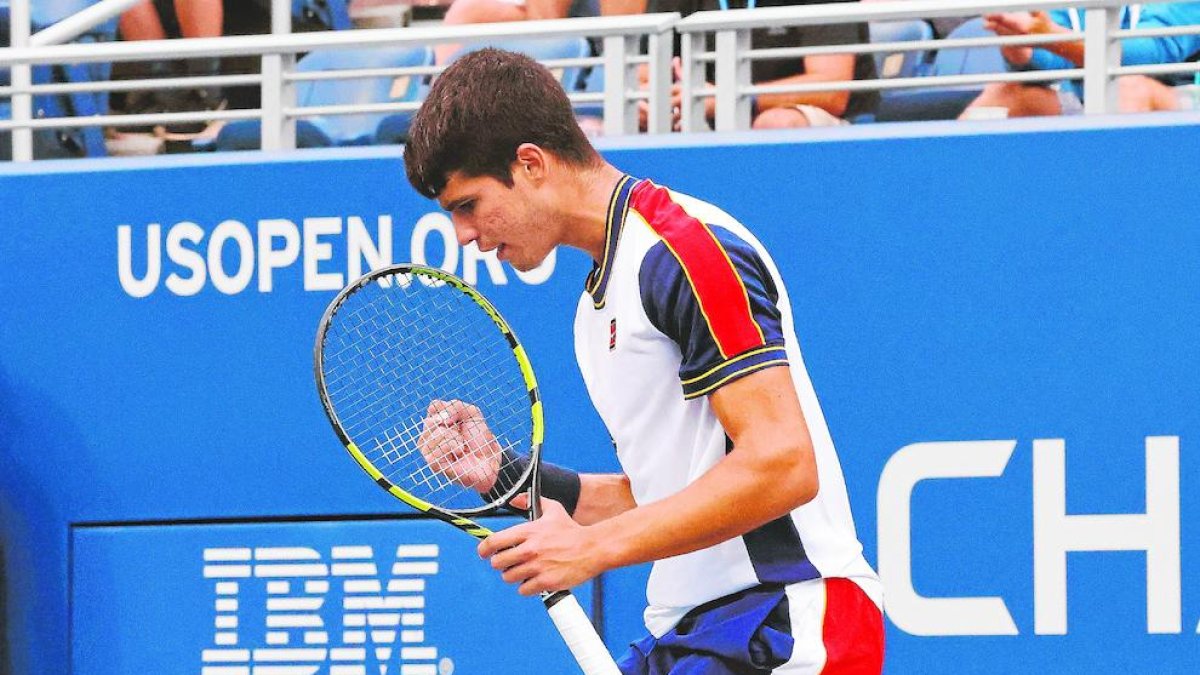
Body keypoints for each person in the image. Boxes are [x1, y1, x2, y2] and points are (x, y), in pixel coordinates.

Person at [404, 48, 884, 673]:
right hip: (695, 631)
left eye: (467, 205)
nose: (464, 235)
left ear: (531, 164)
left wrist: (591, 549)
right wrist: (508, 476)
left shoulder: (685, 252)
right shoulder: (593, 311)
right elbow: (666, 496)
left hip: (785, 618)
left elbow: (785, 464)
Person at [644, 0, 878, 129]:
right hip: (700, 115)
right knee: (632, 122)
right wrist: (649, 103)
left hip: (820, 122)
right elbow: (643, 72)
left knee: (776, 124)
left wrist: (731, 98)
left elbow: (832, 91)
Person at [960, 4, 1200, 118]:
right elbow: (1057, 57)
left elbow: (1149, 52)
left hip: (1183, 107)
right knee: (1002, 95)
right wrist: (1021, 48)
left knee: (1128, 88)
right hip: (1090, 104)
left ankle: (1112, 198)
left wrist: (1049, 36)